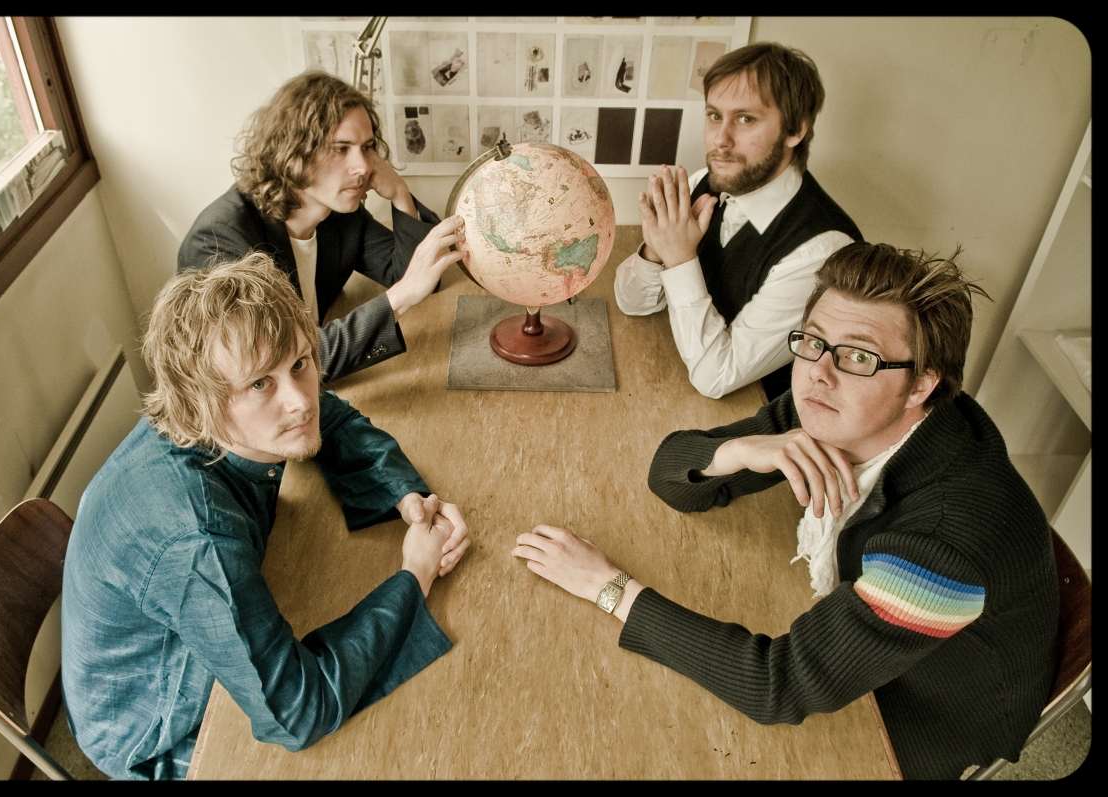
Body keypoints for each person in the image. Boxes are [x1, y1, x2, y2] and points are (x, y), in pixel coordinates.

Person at [515, 242, 1059, 780]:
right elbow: (670, 476)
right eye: (814, 342)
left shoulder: (945, 542)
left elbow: (779, 686)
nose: (819, 373)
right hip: (865, 624)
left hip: (923, 718)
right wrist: (739, 451)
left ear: (922, 384)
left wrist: (606, 586)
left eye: (859, 356)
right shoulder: (840, 405)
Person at [61, 254, 471, 780]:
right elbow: (300, 712)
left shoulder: (207, 417)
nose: (300, 400)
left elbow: (331, 415)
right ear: (200, 402)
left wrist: (405, 495)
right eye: (260, 385)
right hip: (152, 728)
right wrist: (415, 574)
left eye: (299, 363)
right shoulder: (195, 540)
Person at [178, 71, 466, 384]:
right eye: (341, 149)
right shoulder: (220, 241)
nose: (364, 167)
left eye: (367, 147)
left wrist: (399, 192)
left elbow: (415, 275)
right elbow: (284, 362)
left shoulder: (340, 214)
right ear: (294, 151)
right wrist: (401, 296)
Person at [614, 42, 862, 400]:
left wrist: (681, 258)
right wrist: (657, 251)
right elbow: (632, 303)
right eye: (715, 115)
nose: (720, 139)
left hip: (765, 421)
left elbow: (716, 378)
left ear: (795, 131)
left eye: (745, 119)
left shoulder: (822, 250)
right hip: (675, 379)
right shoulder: (706, 183)